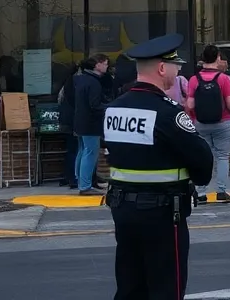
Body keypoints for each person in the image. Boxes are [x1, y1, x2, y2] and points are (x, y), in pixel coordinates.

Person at [103, 33, 213, 300]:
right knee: (166, 287)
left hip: (123, 210)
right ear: (162, 68)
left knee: (130, 284)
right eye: (176, 65)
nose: (178, 71)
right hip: (162, 213)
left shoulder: (115, 108)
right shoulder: (167, 112)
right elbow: (202, 161)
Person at [186, 44, 230, 203]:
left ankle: (201, 192)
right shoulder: (224, 79)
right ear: (218, 58)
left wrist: (192, 118)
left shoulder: (194, 80)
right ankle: (221, 191)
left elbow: (190, 104)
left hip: (200, 123)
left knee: (202, 157)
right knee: (222, 157)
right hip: (222, 122)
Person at [74, 54, 110, 195]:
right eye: (105, 63)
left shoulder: (80, 80)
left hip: (79, 121)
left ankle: (80, 181)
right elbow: (95, 105)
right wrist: (108, 107)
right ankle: (85, 186)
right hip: (91, 123)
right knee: (90, 152)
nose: (107, 66)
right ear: (97, 65)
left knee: (82, 151)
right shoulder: (94, 83)